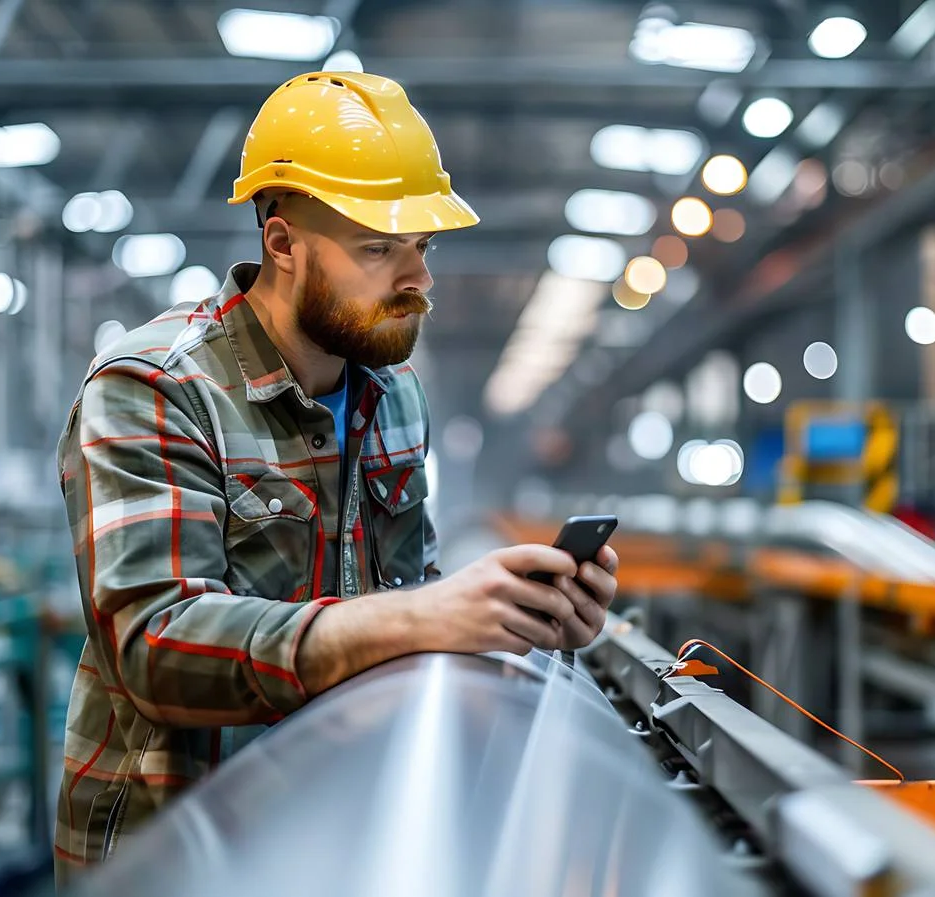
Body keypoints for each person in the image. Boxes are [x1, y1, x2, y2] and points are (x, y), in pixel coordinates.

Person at [51, 71, 621, 883]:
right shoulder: (153, 388)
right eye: (379, 249)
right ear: (282, 245)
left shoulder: (393, 395)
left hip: (338, 818)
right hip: (178, 846)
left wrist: (513, 618)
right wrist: (417, 617)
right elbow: (156, 646)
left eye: (422, 248)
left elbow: (402, 590)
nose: (418, 282)